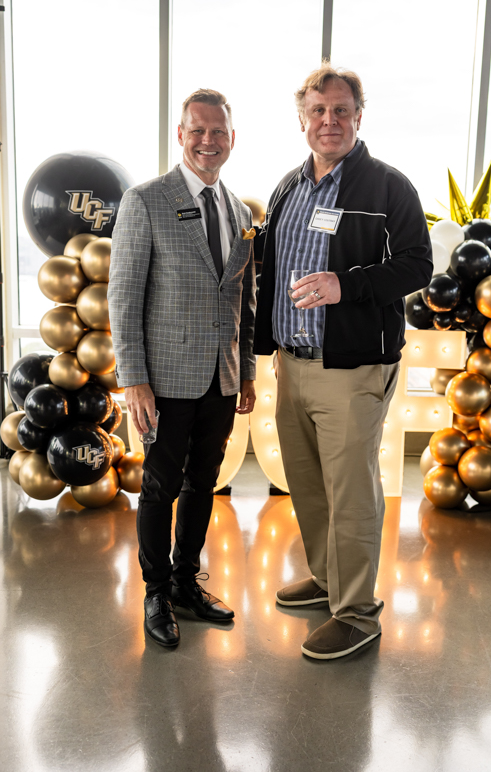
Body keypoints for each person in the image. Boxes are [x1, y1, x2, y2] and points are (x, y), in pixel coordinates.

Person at [253, 65, 433, 660]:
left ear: (359, 116)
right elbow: (270, 275)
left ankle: (357, 613)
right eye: (318, 111)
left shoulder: (388, 187)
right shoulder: (287, 188)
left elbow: (416, 267)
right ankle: (330, 581)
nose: (329, 121)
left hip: (353, 367)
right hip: (293, 362)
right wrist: (265, 349)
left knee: (351, 492)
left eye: (341, 110)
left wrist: (345, 284)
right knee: (307, 484)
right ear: (302, 119)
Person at [108, 89, 256, 648]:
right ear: (180, 135)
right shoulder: (145, 201)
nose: (208, 140)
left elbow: (241, 300)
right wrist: (133, 379)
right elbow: (123, 298)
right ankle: (154, 592)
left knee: (204, 483)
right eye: (197, 130)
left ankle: (184, 582)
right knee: (159, 487)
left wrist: (244, 374)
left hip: (219, 377)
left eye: (218, 131)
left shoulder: (239, 210)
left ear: (232, 138)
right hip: (163, 380)